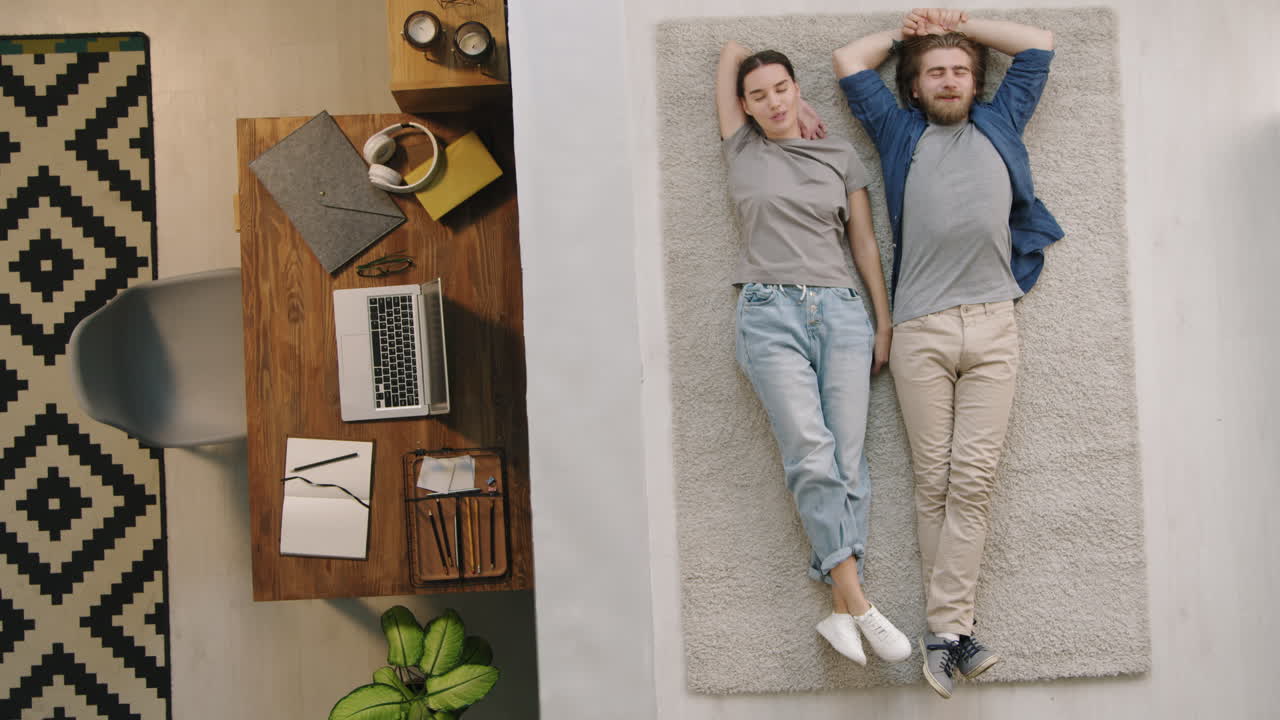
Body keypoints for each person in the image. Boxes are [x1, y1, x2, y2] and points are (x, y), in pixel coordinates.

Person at [832, 8, 1063, 698]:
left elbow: (1039, 46)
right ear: (914, 87)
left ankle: (944, 634)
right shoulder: (899, 131)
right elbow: (849, 60)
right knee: (932, 482)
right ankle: (951, 638)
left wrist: (962, 21)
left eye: (961, 70)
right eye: (937, 72)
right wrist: (914, 33)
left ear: (974, 81)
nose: (952, 79)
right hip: (919, 328)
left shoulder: (1000, 119)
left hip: (995, 324)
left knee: (973, 478)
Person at [715, 40, 909, 667]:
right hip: (770, 313)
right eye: (758, 94)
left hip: (844, 313)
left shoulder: (839, 154)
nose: (772, 101)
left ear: (799, 88)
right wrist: (777, 109)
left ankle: (839, 612)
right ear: (743, 106)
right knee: (810, 451)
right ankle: (856, 599)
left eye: (782, 88)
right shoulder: (742, 146)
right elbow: (732, 53)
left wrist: (883, 323)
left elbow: (865, 245)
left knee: (849, 464)